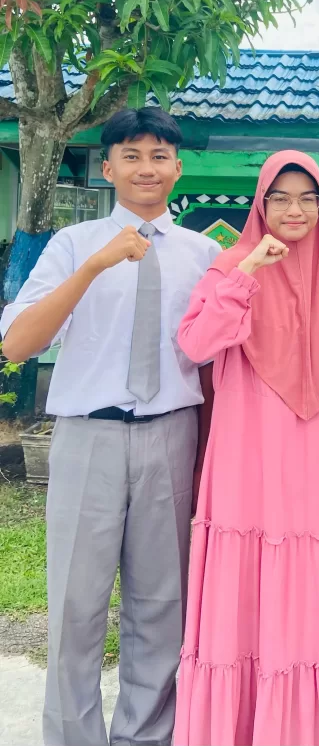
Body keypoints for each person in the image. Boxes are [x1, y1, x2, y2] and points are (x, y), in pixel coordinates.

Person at [0, 108, 220, 746]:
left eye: (159, 155)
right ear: (109, 167)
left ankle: (144, 736)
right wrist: (94, 267)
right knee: (75, 602)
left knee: (161, 605)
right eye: (132, 155)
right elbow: (17, 343)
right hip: (86, 438)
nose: (146, 168)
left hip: (172, 435)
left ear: (178, 167)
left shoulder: (206, 255)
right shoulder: (74, 245)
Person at [172, 150, 319, 747]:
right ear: (260, 204)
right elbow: (196, 343)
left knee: (297, 579)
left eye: (307, 198)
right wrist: (249, 268)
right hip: (243, 451)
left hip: (306, 451)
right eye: (280, 198)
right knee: (242, 579)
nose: (294, 209)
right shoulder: (232, 263)